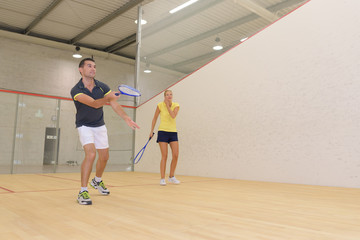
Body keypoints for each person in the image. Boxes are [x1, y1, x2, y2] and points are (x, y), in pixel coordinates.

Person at [71, 57, 139, 205]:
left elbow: (114, 104)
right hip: (84, 125)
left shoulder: (102, 86)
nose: (93, 69)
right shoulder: (76, 90)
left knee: (105, 156)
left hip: (99, 125)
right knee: (91, 154)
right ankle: (83, 191)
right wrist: (108, 98)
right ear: (81, 70)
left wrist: (126, 118)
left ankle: (97, 181)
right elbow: (94, 104)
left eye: (94, 66)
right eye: (89, 66)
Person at [150, 89, 180, 186]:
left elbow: (173, 116)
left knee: (175, 155)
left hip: (173, 133)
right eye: (167, 95)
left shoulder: (176, 105)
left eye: (171, 94)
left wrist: (167, 105)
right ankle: (162, 178)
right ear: (164, 96)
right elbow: (154, 118)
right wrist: (151, 131)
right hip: (162, 132)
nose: (169, 96)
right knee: (165, 156)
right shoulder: (159, 105)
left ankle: (171, 177)